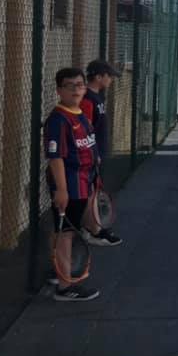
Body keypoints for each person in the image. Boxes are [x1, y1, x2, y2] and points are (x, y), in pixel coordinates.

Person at [44, 68, 103, 301]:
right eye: (70, 85)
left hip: (83, 184)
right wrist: (61, 189)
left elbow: (88, 146)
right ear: (59, 90)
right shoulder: (58, 120)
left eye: (80, 85)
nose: (76, 89)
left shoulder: (80, 115)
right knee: (66, 234)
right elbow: (55, 157)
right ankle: (65, 288)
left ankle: (59, 272)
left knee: (65, 232)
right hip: (69, 186)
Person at [78, 60, 122, 248]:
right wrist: (91, 154)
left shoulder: (97, 97)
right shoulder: (88, 99)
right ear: (98, 77)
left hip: (98, 153)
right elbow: (84, 129)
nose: (111, 79)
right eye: (109, 76)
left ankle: (93, 227)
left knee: (93, 191)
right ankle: (93, 230)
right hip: (91, 155)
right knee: (89, 193)